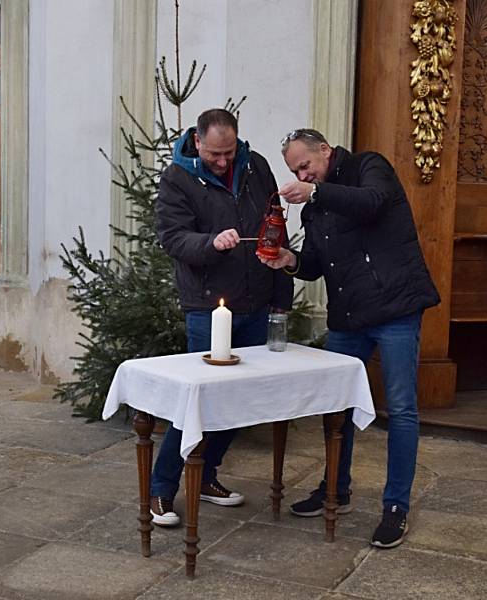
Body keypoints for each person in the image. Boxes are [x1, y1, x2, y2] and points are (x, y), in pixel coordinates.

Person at [259, 128, 440, 548]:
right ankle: (335, 488)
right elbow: (317, 265)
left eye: (306, 164)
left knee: (400, 408)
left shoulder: (368, 167)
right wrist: (290, 261)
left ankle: (396, 507)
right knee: (334, 404)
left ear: (326, 150)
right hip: (350, 318)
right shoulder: (313, 209)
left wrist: (313, 192)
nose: (303, 174)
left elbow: (371, 204)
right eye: (295, 170)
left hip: (395, 308)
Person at [149, 108, 294, 527]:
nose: (223, 161)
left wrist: (281, 296)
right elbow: (172, 238)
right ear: (197, 141)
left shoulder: (257, 166)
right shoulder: (177, 178)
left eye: (229, 152)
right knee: (196, 404)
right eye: (215, 153)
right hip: (207, 308)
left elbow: (275, 229)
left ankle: (207, 475)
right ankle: (160, 490)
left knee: (237, 403)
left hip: (259, 302)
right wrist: (211, 242)